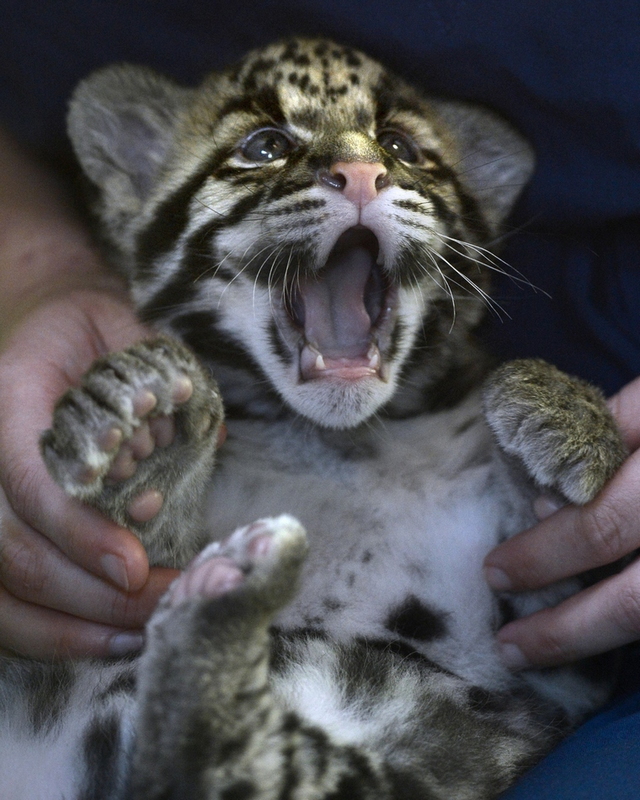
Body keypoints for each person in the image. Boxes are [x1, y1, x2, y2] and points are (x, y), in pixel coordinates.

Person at [1, 1, 639, 795]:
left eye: (403, 149)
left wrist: (575, 435)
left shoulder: (491, 438)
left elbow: (569, 613)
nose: (359, 167)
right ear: (140, 175)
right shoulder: (178, 428)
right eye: (266, 146)